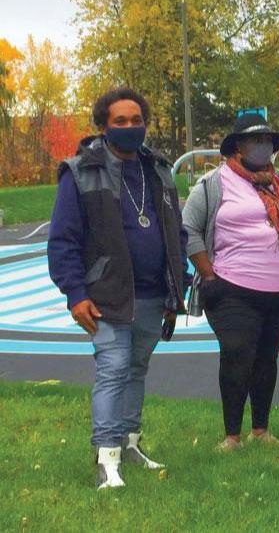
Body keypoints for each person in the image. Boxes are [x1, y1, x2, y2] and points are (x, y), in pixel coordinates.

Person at [48, 87, 189, 490]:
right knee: (112, 370)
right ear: (103, 126)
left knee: (136, 369)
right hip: (106, 294)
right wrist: (75, 293)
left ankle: (129, 443)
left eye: (137, 120)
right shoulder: (79, 172)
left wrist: (176, 287)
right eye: (120, 121)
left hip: (151, 294)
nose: (131, 128)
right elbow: (63, 241)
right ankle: (106, 458)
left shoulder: (159, 170)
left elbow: (175, 233)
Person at [181, 112, 279, 452]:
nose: (263, 147)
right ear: (237, 147)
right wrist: (207, 273)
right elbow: (188, 229)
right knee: (237, 354)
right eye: (255, 141)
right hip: (233, 289)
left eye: (267, 141)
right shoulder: (213, 185)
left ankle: (261, 430)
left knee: (267, 357)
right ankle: (231, 436)